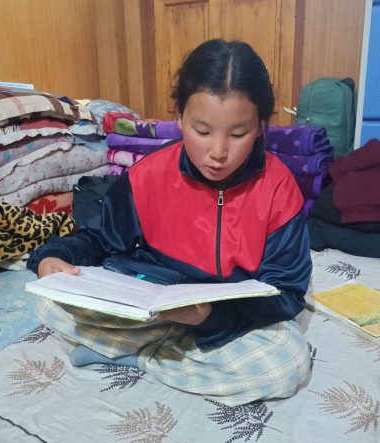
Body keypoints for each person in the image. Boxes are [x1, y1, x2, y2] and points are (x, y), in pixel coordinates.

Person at [27, 39, 312, 406]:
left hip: (225, 318)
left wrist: (212, 316)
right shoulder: (148, 175)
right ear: (178, 117)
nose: (218, 152)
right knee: (48, 303)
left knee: (285, 365)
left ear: (260, 126)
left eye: (238, 134)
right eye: (202, 131)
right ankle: (173, 354)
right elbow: (100, 239)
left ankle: (134, 357)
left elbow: (286, 292)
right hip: (150, 302)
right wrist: (54, 257)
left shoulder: (278, 188)